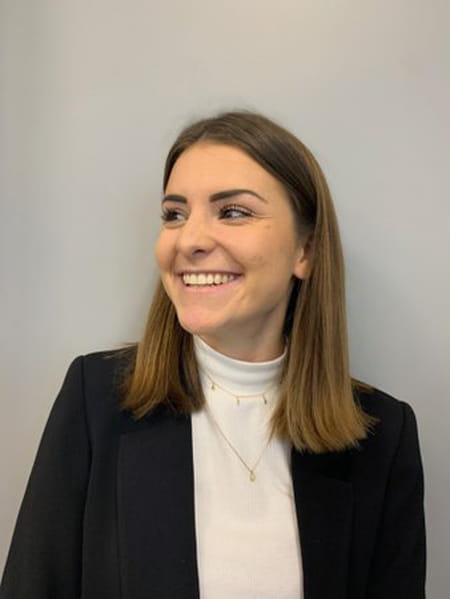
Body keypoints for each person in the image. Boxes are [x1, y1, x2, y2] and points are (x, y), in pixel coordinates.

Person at [0, 111, 426, 599]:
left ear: (305, 251)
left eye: (233, 212)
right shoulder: (95, 399)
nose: (190, 240)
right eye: (174, 214)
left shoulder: (383, 437)